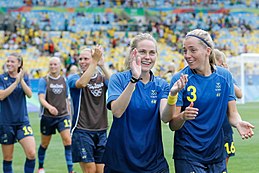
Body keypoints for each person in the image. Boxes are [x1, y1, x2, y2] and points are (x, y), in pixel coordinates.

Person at [164, 29, 254, 173]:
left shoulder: (225, 77)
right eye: (185, 50)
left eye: (192, 50)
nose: (187, 55)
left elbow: (233, 113)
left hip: (216, 152)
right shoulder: (179, 79)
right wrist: (183, 116)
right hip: (188, 154)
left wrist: (238, 123)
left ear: (207, 50)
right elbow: (173, 125)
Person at [102, 33, 188, 173]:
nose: (147, 57)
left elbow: (165, 118)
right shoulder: (118, 79)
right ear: (132, 54)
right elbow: (117, 112)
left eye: (152, 53)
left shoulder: (160, 84)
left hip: (153, 163)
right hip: (120, 161)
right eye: (142, 52)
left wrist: (173, 94)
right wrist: (134, 80)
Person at [68, 45, 111, 173]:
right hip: (82, 130)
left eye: (86, 58)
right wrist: (94, 62)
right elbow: (82, 83)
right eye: (80, 59)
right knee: (90, 170)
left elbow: (116, 84)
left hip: (101, 130)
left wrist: (102, 65)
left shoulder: (102, 78)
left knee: (101, 170)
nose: (82, 62)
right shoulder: (74, 78)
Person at [37, 57, 74, 173]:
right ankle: (40, 167)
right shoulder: (44, 80)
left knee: (68, 141)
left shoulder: (64, 80)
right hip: (48, 117)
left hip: (63, 116)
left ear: (60, 66)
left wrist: (70, 116)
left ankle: (70, 170)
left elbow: (67, 99)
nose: (53, 66)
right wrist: (49, 107)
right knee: (44, 143)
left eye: (55, 64)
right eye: (51, 64)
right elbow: (41, 98)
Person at [0, 52, 36, 173]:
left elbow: (30, 94)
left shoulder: (24, 78)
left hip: (22, 122)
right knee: (8, 158)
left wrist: (20, 80)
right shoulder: (1, 78)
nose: (9, 64)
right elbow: (1, 95)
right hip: (6, 123)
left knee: (31, 153)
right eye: (8, 61)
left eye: (12, 61)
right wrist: (15, 82)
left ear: (19, 64)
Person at [214, 49, 242, 166]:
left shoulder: (226, 76)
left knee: (224, 158)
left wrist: (228, 76)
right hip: (210, 122)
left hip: (225, 123)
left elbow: (239, 94)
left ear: (220, 62)